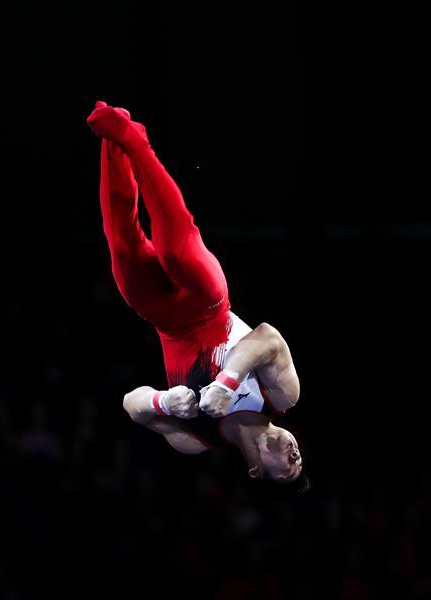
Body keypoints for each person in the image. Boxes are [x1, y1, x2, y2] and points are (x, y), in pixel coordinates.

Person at [87, 101, 303, 482]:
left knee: (123, 245)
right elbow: (266, 338)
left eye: (290, 467)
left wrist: (164, 400)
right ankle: (133, 139)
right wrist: (227, 383)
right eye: (300, 457)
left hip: (162, 319)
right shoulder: (281, 396)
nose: (295, 454)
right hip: (208, 303)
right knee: (174, 247)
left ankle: (113, 142)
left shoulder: (196, 440)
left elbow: (132, 406)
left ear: (255, 470)